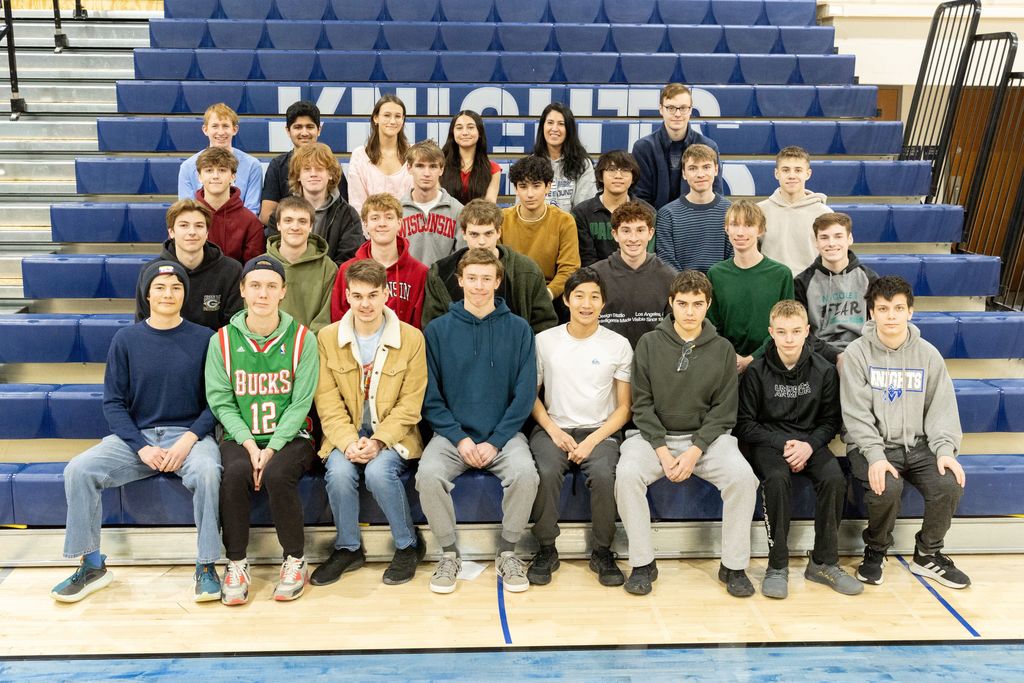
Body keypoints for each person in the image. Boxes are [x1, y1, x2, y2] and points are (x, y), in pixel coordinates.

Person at [51, 261, 222, 603]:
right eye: (160, 288)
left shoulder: (206, 338)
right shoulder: (126, 339)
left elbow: (217, 403)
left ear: (185, 293)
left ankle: (206, 565)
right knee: (79, 469)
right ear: (147, 294)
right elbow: (113, 404)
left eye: (175, 287)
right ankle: (92, 564)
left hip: (190, 437)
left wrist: (189, 440)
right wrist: (141, 447)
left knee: (207, 472)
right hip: (139, 439)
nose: (168, 294)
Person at [615, 270, 759, 597]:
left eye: (697, 304)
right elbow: (642, 404)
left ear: (708, 305)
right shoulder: (649, 344)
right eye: (682, 303)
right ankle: (642, 563)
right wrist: (663, 452)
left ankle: (734, 565)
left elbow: (724, 410)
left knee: (742, 477)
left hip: (707, 440)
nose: (689, 311)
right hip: (653, 438)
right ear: (671, 304)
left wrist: (695, 451)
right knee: (626, 475)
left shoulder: (722, 349)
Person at [415, 248, 539, 594]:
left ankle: (508, 551)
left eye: (487, 278)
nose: (479, 286)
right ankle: (449, 554)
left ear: (498, 282)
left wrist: (496, 440)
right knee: (427, 475)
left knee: (526, 474)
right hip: (453, 436)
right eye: (472, 278)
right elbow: (431, 397)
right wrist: (460, 439)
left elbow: (525, 394)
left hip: (503, 434)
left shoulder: (518, 330)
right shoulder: (437, 331)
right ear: (460, 281)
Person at [841, 276, 969, 589]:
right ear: (871, 312)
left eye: (898, 308)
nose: (891, 315)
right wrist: (874, 455)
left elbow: (942, 409)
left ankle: (928, 553)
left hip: (920, 446)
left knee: (949, 484)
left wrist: (945, 451)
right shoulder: (856, 354)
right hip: (871, 445)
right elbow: (856, 415)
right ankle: (876, 550)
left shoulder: (928, 355)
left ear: (910, 311)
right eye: (883, 308)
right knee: (886, 486)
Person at [205, 256, 320, 605]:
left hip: (292, 436)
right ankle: (237, 562)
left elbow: (301, 403)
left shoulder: (303, 339)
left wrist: (270, 449)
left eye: (271, 286)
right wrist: (250, 445)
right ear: (242, 290)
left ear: (283, 291)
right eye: (255, 285)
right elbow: (222, 403)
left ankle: (295, 559)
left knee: (278, 472)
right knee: (235, 471)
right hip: (241, 435)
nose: (263, 293)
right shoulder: (222, 341)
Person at [311, 259, 428, 587]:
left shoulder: (412, 338)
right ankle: (348, 547)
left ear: (387, 294)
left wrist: (377, 441)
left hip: (393, 433)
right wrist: (349, 442)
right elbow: (327, 401)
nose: (365, 304)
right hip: (344, 434)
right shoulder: (327, 337)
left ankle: (407, 544)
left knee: (378, 472)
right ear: (346, 295)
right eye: (358, 296)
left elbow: (410, 405)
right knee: (338, 471)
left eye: (373, 295)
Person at [734, 300, 861, 599]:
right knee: (777, 479)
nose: (789, 339)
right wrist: (783, 443)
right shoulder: (756, 372)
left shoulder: (824, 370)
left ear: (807, 331)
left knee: (834, 479)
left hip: (810, 441)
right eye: (781, 332)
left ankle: (824, 562)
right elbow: (745, 424)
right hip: (768, 442)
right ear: (771, 333)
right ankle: (777, 565)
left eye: (795, 331)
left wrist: (808, 445)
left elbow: (831, 422)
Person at [527, 268, 632, 588]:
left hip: (600, 430)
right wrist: (554, 431)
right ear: (567, 300)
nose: (587, 303)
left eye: (594, 297)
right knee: (544, 471)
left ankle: (602, 550)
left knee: (603, 475)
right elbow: (531, 396)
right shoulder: (544, 341)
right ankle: (546, 548)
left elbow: (624, 408)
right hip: (552, 427)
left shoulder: (618, 344)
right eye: (580, 296)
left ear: (603, 303)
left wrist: (593, 441)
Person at [422, 198, 556, 333]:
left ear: (499, 232)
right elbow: (433, 328)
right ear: (463, 234)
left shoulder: (526, 271)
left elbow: (544, 324)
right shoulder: (440, 273)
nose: (481, 242)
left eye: (488, 233)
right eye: (474, 234)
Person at [707, 200, 794, 373]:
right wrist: (731, 356)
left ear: (760, 230)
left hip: (770, 364)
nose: (740, 232)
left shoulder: (781, 274)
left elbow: (785, 327)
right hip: (727, 363)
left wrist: (752, 359)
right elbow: (712, 325)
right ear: (726, 229)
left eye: (748, 225)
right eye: (734, 225)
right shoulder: (716, 274)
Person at [134, 198, 242, 331]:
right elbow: (143, 324)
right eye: (184, 225)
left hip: (214, 349)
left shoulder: (231, 270)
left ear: (207, 233)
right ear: (171, 232)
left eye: (199, 226)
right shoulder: (150, 271)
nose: (192, 232)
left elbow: (232, 328)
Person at [331, 193, 428, 328]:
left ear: (400, 223)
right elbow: (338, 320)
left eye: (389, 217)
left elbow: (419, 324)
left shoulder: (420, 272)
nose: (382, 224)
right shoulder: (347, 270)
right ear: (365, 225)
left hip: (403, 346)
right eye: (375, 218)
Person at [794, 212, 878, 365]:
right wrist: (835, 356)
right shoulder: (802, 282)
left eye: (838, 236)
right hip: (818, 357)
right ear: (816, 242)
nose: (831, 243)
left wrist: (856, 355)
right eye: (824, 237)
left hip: (862, 354)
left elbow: (878, 325)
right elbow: (801, 332)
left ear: (850, 239)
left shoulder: (869, 278)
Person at [591, 201, 676, 349]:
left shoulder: (670, 278)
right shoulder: (595, 276)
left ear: (650, 233)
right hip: (607, 360)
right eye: (626, 230)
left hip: (653, 359)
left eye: (640, 230)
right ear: (615, 234)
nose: (633, 238)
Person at [266, 142, 364, 265]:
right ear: (298, 176)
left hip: (331, 281)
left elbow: (348, 261)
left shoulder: (348, 215)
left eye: (319, 169)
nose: (313, 174)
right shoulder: (280, 213)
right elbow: (274, 256)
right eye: (307, 169)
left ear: (330, 174)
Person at [501, 155, 581, 300]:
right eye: (523, 186)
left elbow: (569, 269)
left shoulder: (564, 221)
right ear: (516, 189)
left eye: (536, 186)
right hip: (508, 294)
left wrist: (547, 294)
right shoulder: (501, 219)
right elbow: (495, 265)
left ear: (548, 187)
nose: (530, 194)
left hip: (550, 295)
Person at [632, 83, 723, 210]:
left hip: (696, 222)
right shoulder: (643, 148)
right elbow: (640, 198)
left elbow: (716, 194)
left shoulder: (708, 146)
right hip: (655, 225)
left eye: (683, 108)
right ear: (661, 109)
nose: (677, 114)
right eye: (671, 108)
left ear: (691, 110)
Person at [259, 100, 348, 225]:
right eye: (298, 127)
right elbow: (266, 215)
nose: (304, 133)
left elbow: (343, 212)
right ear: (288, 131)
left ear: (319, 130)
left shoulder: (332, 164)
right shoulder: (277, 166)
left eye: (310, 127)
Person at [264, 196, 339, 334]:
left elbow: (324, 321)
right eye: (288, 220)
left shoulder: (327, 268)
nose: (295, 227)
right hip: (268, 349)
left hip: (310, 348)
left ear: (311, 226)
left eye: (302, 221)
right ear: (278, 225)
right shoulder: (260, 266)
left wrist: (303, 347)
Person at [655, 144, 732, 273]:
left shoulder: (731, 211)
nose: (700, 174)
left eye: (706, 167)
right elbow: (666, 261)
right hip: (682, 290)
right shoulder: (667, 214)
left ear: (716, 170)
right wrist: (690, 290)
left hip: (721, 288)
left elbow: (734, 257)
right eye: (693, 168)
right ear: (684, 173)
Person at [573, 150, 655, 267]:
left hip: (638, 277)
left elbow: (648, 256)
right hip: (595, 279)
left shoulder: (648, 212)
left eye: (625, 170)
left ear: (633, 178)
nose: (618, 176)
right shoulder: (581, 213)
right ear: (600, 176)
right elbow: (587, 260)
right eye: (611, 170)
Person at [758, 146, 831, 276]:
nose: (792, 175)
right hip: (771, 284)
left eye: (798, 170)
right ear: (776, 173)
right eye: (786, 170)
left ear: (808, 174)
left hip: (809, 287)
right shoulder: (759, 211)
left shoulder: (824, 214)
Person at [178, 102, 262, 214]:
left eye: (225, 126)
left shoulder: (252, 165)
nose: (221, 132)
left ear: (235, 129)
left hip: (239, 228)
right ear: (205, 129)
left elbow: (252, 210)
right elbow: (186, 210)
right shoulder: (187, 167)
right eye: (215, 126)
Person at [193, 146, 265, 264]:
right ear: (199, 177)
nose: (215, 176)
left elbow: (252, 270)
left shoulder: (250, 221)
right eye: (209, 170)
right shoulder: (186, 217)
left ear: (233, 176)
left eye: (222, 170)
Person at [399, 140, 465, 268]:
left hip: (444, 284)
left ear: (441, 170)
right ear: (409, 168)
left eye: (433, 166)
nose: (427, 173)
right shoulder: (396, 210)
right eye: (420, 166)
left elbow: (462, 258)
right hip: (409, 283)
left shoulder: (457, 210)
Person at [347, 94, 413, 215]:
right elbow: (357, 206)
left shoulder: (414, 154)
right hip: (369, 231)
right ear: (376, 118)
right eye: (387, 115)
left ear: (403, 120)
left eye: (398, 116)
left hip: (408, 231)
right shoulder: (360, 156)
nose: (392, 121)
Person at [533, 103, 597, 212]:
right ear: (542, 127)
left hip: (572, 227)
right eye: (550, 123)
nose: (554, 128)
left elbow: (584, 210)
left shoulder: (583, 164)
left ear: (569, 129)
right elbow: (522, 208)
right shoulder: (531, 164)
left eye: (561, 124)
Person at [440, 109, 501, 204]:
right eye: (459, 128)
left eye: (470, 127)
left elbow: (489, 207)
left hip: (479, 218)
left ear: (479, 132)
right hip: (445, 218)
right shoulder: (439, 165)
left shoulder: (493, 169)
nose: (465, 133)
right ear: (453, 133)